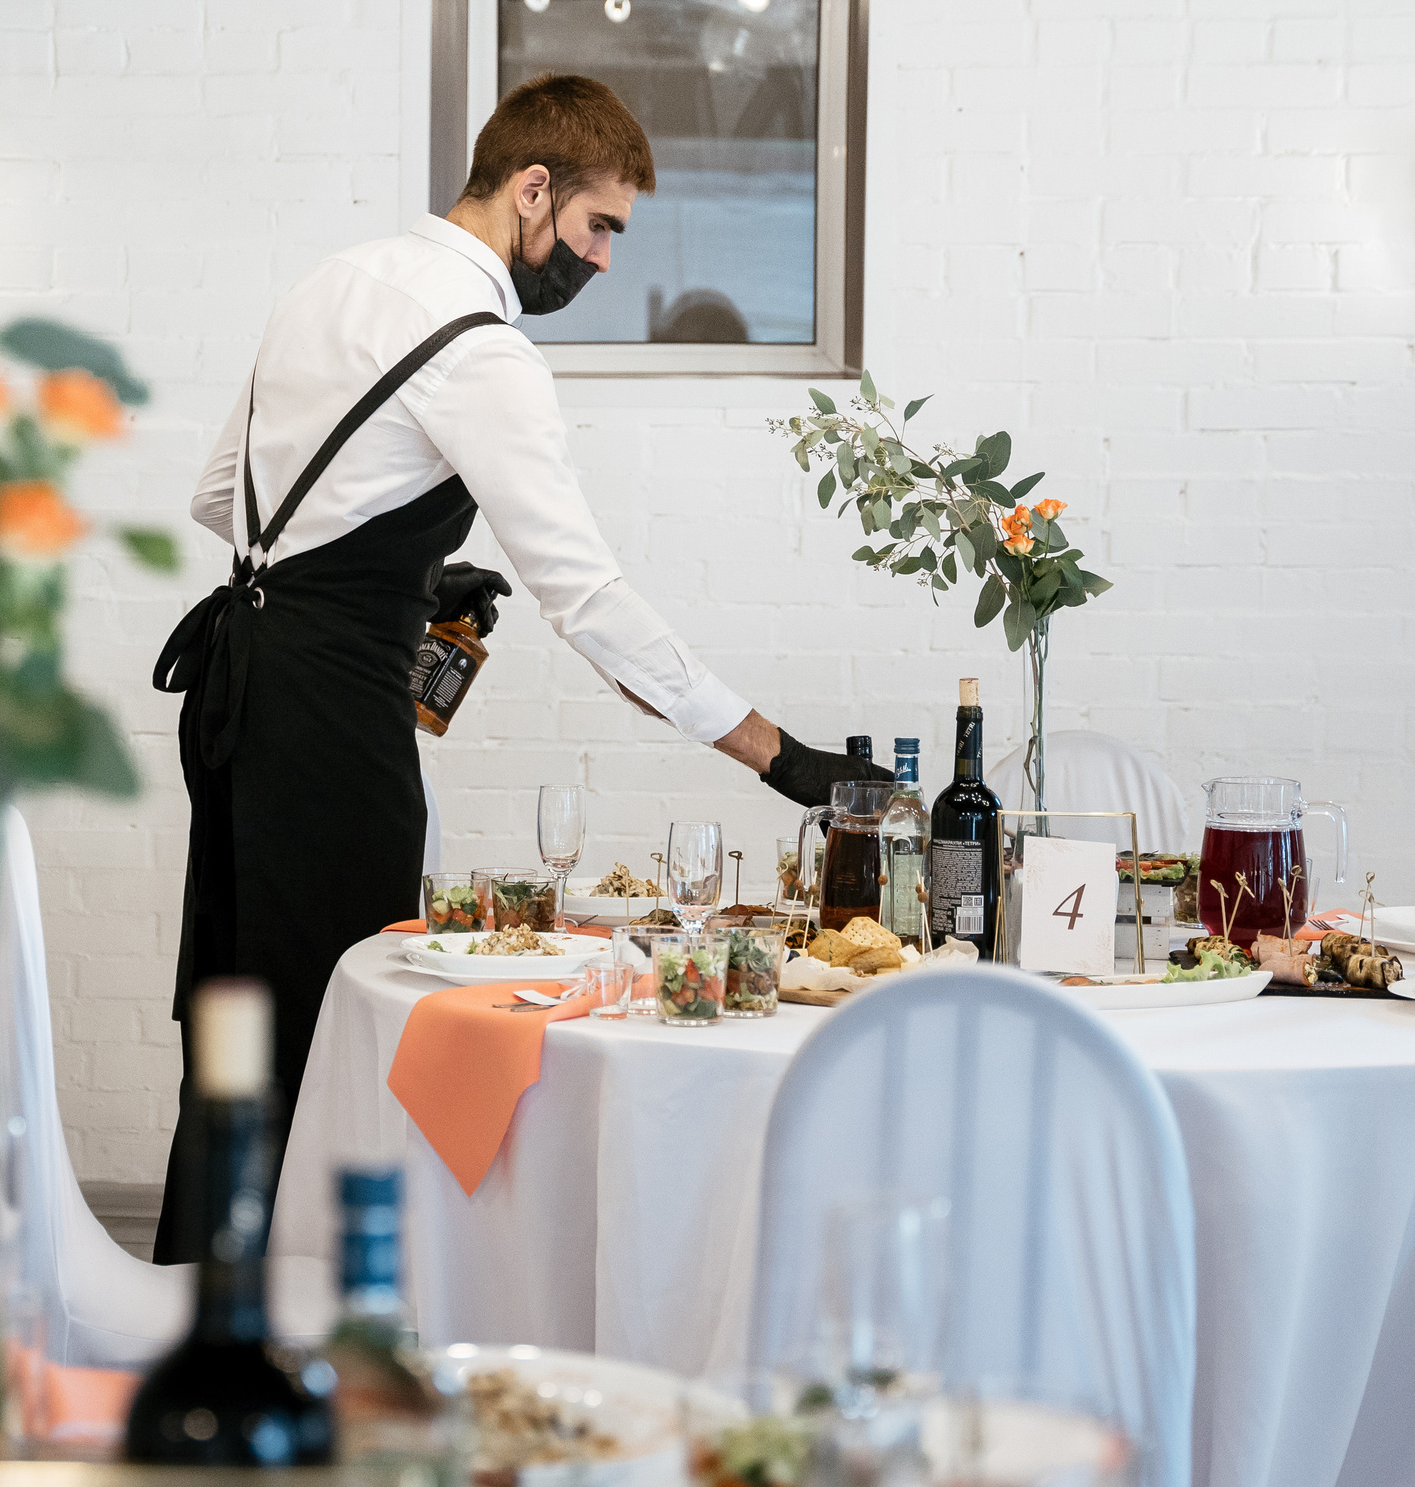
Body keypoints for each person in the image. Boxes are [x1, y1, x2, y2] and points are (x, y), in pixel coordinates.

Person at [149, 74, 884, 1261]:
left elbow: (220, 503)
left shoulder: (333, 281)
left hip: (243, 695)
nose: (600, 263)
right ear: (531, 190)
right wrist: (775, 754)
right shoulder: (483, 349)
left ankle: (200, 1311)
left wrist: (396, 573)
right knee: (342, 1035)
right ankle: (318, 1331)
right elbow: (585, 599)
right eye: (599, 227)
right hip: (333, 725)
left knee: (242, 1022)